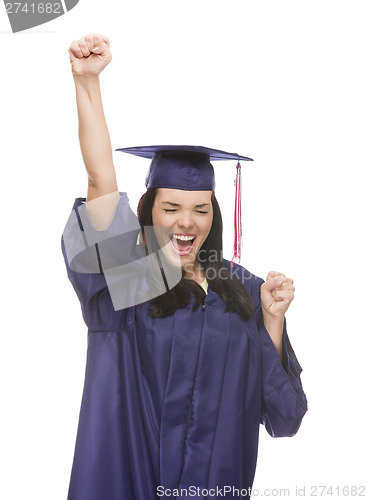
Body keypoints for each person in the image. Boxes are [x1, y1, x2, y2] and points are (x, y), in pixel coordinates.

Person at [61, 33, 308, 500]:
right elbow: (100, 180)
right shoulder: (127, 280)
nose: (186, 222)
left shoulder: (239, 288)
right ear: (149, 209)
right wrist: (87, 82)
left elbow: (284, 417)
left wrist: (272, 321)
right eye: (171, 207)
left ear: (215, 214)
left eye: (201, 208)